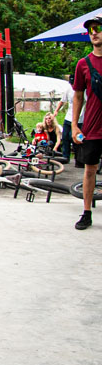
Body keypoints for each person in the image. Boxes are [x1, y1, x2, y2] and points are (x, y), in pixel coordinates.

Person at [72, 14, 102, 230]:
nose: (94, 33)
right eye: (91, 29)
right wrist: (74, 125)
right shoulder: (83, 64)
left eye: (98, 28)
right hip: (92, 127)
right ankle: (87, 212)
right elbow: (78, 96)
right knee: (89, 169)